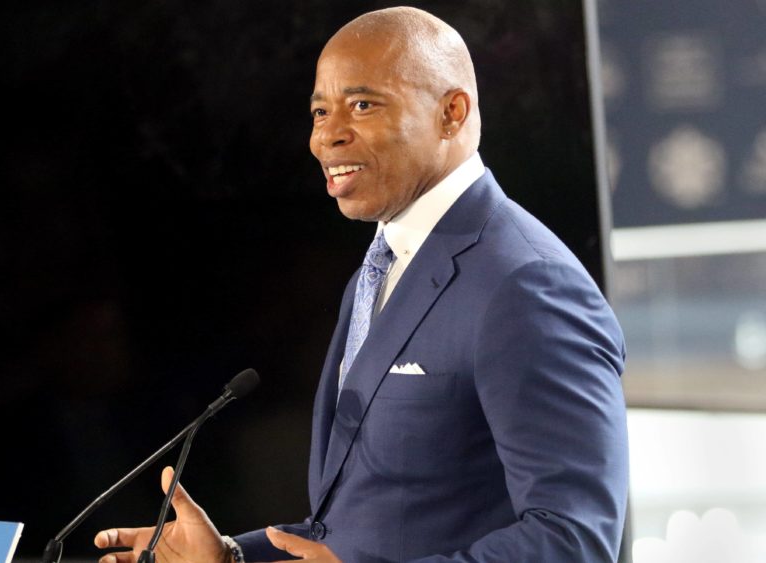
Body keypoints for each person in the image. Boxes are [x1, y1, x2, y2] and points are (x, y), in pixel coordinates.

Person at [94, 6, 629, 562]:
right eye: (320, 111)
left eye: (362, 105)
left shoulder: (527, 285)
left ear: (451, 112)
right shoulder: (379, 270)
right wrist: (232, 557)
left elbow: (573, 541)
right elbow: (357, 525)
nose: (326, 137)